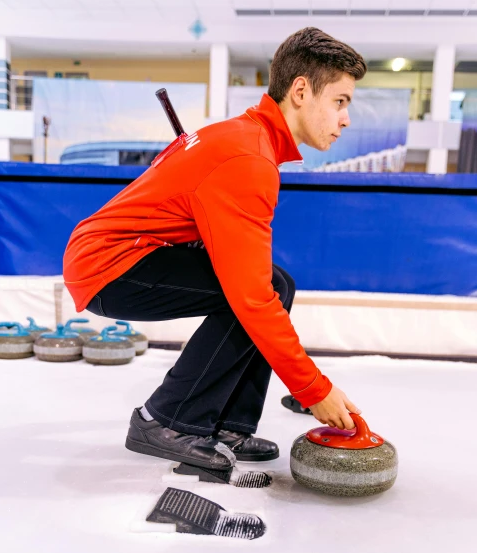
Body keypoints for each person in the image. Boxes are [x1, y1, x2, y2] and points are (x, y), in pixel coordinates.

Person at [63, 27, 367, 475]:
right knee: (255, 295)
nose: (345, 119)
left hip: (126, 252)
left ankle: (226, 423)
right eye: (340, 102)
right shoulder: (248, 158)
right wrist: (314, 390)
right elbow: (251, 298)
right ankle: (165, 420)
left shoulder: (242, 137)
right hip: (108, 264)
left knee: (277, 283)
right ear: (301, 91)